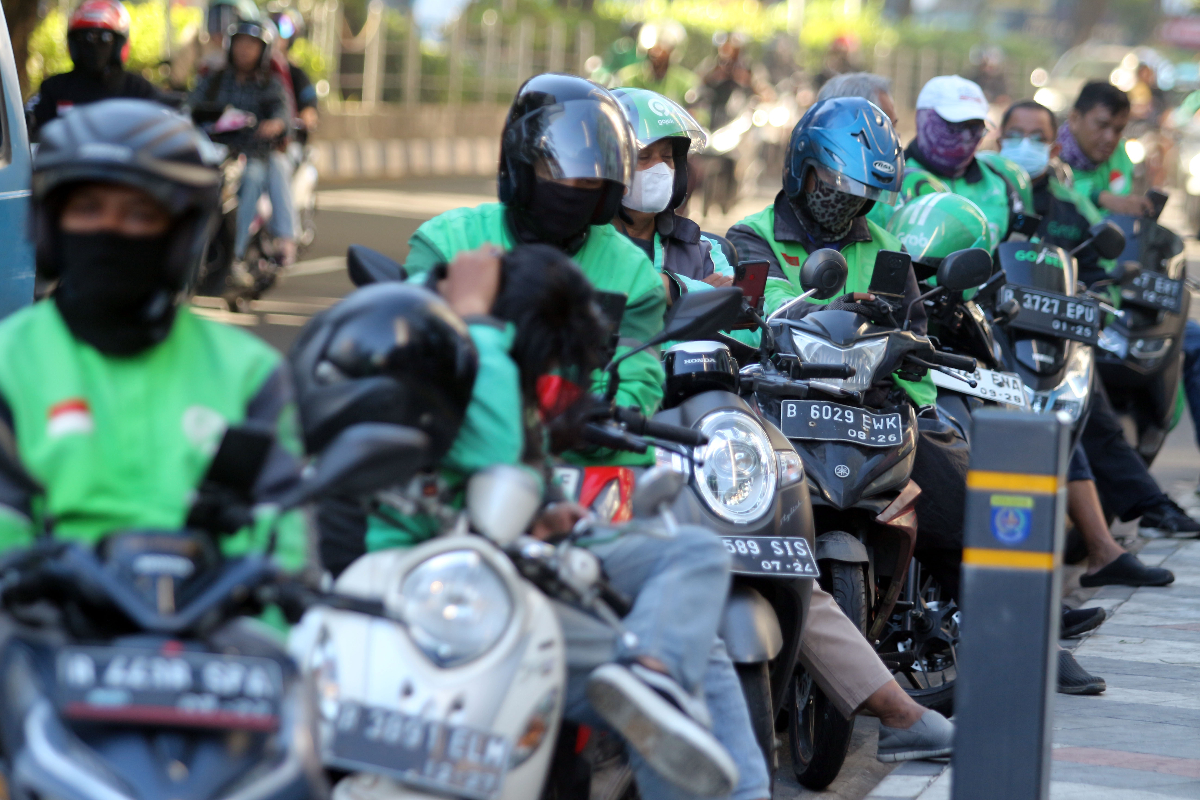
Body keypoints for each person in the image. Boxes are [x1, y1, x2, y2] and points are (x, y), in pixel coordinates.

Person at [293, 246, 761, 800]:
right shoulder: (436, 357)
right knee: (682, 675)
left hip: (484, 580)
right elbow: (498, 455)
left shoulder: (480, 368)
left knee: (692, 575)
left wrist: (546, 513)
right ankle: (659, 686)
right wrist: (478, 324)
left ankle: (657, 683)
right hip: (423, 592)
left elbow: (512, 471)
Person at [0, 99, 304, 569]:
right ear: (51, 228)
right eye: (87, 209)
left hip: (215, 613)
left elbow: (286, 551)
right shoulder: (9, 364)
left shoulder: (250, 376)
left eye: (140, 213)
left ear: (181, 235)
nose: (110, 230)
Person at [402, 74, 666, 452]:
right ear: (521, 170)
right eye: (553, 171)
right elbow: (411, 354)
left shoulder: (634, 275)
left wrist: (589, 420)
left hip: (581, 459)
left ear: (607, 192)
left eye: (588, 182)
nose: (570, 191)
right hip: (459, 449)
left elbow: (637, 384)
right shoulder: (447, 243)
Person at [1000, 99, 1199, 539]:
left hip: (1053, 335)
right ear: (998, 140)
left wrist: (1095, 300)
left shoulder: (1070, 205)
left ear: (1053, 145)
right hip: (988, 332)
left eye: (1036, 137)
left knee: (1081, 399)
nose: (1025, 145)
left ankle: (1129, 520)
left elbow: (1101, 269)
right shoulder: (984, 193)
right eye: (1015, 135)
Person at [188, 20, 298, 276]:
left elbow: (283, 114)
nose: (244, 50)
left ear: (263, 51)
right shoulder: (213, 80)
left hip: (252, 155)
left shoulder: (270, 85)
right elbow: (189, 105)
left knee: (252, 178)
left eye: (251, 45)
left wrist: (276, 124)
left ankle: (234, 256)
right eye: (240, 43)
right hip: (213, 153)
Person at [902, 75, 1033, 246]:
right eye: (955, 125)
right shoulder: (890, 179)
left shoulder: (997, 184)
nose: (966, 136)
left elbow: (1019, 251)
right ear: (923, 118)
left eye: (975, 127)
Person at [30, 0, 160, 137]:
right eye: (84, 38)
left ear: (119, 43)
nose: (93, 46)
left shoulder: (138, 90)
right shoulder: (54, 89)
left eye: (105, 38)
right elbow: (30, 132)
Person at [1058, 82, 1153, 217]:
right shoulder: (1051, 154)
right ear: (1074, 119)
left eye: (1118, 130)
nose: (1110, 138)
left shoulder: (1121, 153)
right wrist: (1099, 197)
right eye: (1102, 125)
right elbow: (1053, 192)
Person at [615, 21, 699, 106]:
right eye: (653, 49)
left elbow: (697, 111)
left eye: (663, 50)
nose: (655, 53)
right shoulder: (628, 77)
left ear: (673, 52)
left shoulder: (686, 82)